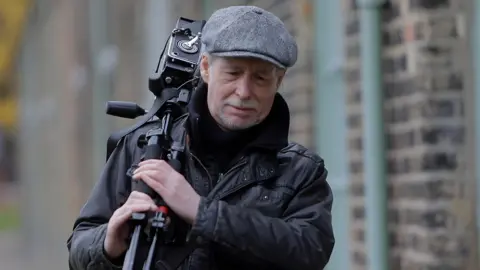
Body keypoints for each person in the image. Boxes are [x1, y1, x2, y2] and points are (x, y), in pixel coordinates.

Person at [67, 5, 335, 270]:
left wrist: (200, 211)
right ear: (206, 68)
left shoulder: (302, 171)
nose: (243, 91)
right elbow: (79, 246)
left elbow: (310, 251)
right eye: (233, 73)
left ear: (279, 81)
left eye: (260, 78)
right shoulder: (144, 146)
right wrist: (108, 243)